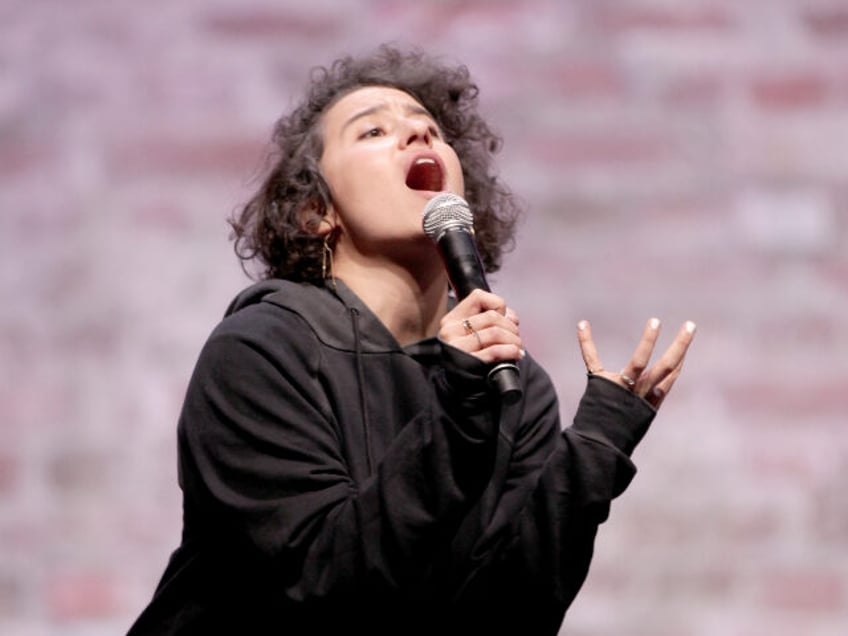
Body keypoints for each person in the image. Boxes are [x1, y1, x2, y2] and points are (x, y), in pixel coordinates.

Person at [127, 44, 695, 635]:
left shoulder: (513, 383)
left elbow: (508, 619)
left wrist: (596, 449)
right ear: (317, 211)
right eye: (373, 131)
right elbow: (322, 588)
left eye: (429, 129)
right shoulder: (261, 352)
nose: (417, 136)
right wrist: (458, 408)